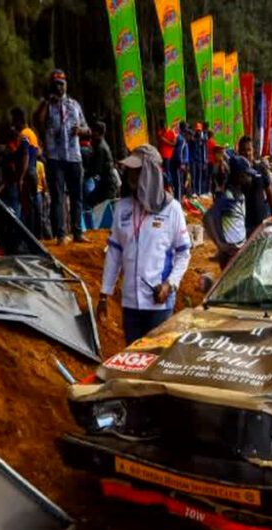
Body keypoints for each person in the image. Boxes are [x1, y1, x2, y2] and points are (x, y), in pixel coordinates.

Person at [98, 144, 191, 345]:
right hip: (130, 304)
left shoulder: (172, 210)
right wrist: (105, 294)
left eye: (137, 171)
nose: (131, 176)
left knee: (155, 360)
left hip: (159, 305)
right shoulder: (122, 208)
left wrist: (170, 284)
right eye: (130, 170)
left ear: (151, 173)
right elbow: (114, 254)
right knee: (133, 359)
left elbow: (184, 253)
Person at [34, 69, 89, 244]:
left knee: (77, 196)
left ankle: (78, 233)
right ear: (51, 85)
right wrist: (45, 102)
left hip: (74, 156)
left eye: (62, 83)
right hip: (55, 157)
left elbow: (87, 128)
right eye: (56, 83)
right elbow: (38, 121)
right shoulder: (47, 106)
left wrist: (80, 131)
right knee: (57, 196)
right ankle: (60, 235)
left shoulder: (74, 105)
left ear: (66, 85)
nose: (59, 87)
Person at [238, 136, 272, 235]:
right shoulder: (235, 172)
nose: (247, 153)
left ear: (253, 151)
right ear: (239, 152)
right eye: (243, 150)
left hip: (260, 221)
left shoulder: (261, 168)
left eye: (249, 150)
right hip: (243, 223)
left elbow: (269, 193)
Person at [85, 121, 116, 208]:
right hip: (105, 183)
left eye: (93, 131)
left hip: (107, 185)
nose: (91, 134)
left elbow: (96, 170)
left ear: (98, 132)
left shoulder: (100, 148)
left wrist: (84, 174)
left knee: (104, 208)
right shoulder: (101, 145)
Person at [190, 122, 206, 196]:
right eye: (197, 130)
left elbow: (204, 151)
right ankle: (194, 192)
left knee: (199, 177)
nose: (198, 132)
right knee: (193, 176)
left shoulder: (203, 140)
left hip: (200, 160)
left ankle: (199, 192)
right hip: (193, 160)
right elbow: (189, 150)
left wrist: (205, 161)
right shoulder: (192, 139)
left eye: (199, 130)